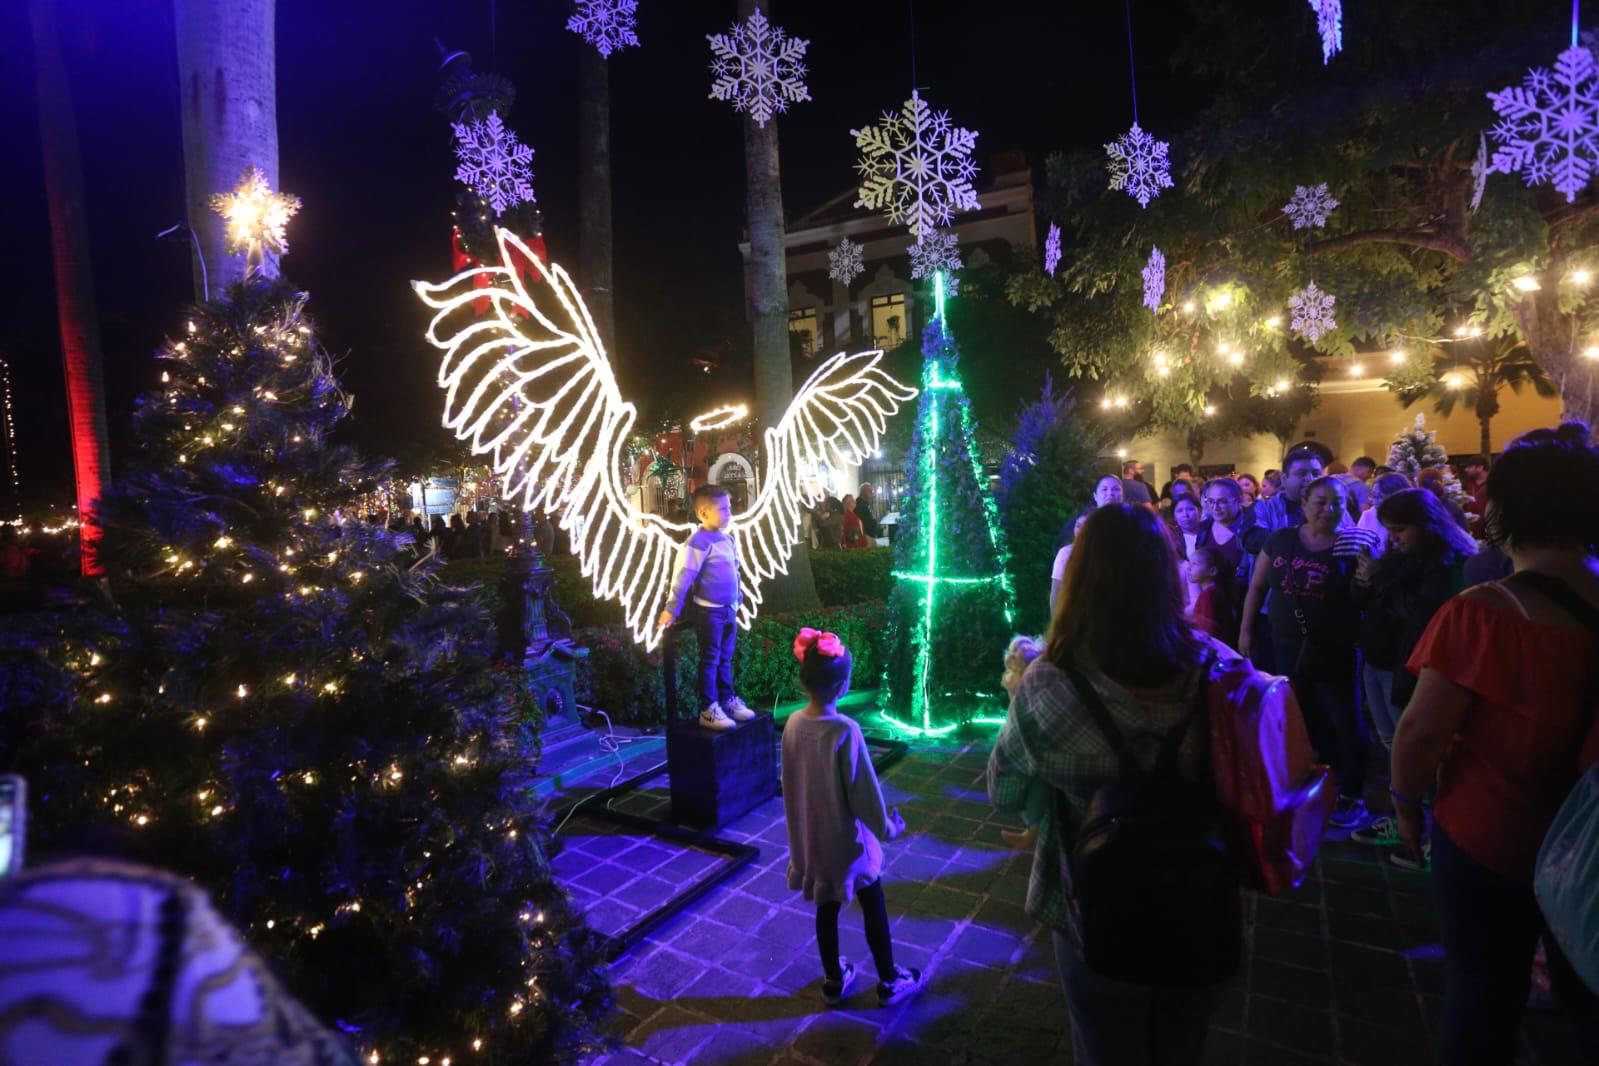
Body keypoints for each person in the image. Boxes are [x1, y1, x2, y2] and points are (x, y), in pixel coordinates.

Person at [989, 503, 1235, 1066]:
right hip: (1199, 901)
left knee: (1103, 1048)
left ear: (1081, 578)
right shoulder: (1218, 669)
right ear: (1166, 573)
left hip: (1091, 901)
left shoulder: (1049, 683)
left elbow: (1001, 790)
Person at [1391, 423, 1599, 1064]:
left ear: (1502, 509)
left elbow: (1422, 729)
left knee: (1482, 998)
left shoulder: (1484, 613)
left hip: (1494, 840)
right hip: (1589, 845)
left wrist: (1404, 805)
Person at [781, 627, 923, 1008]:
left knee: (826, 909)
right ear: (843, 686)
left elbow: (790, 781)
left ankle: (832, 979)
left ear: (803, 679)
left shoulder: (793, 724)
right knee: (873, 904)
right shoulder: (846, 730)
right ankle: (890, 980)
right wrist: (889, 828)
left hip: (814, 839)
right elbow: (864, 793)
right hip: (850, 845)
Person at [1350, 488, 1475, 867]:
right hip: (1378, 660)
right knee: (1392, 745)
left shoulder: (1446, 563)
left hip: (1409, 667)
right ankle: (1407, 820)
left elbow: (1425, 614)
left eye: (1401, 529)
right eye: (1390, 529)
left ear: (1427, 525)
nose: (1393, 537)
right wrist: (1363, 582)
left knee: (1418, 749)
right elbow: (1366, 602)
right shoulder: (1397, 557)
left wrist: (1381, 582)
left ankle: (1429, 833)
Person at [1241, 476, 1368, 828]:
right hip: (1285, 645)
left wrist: (1366, 578)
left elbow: (1361, 601)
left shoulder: (1351, 546)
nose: (1328, 509)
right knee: (1302, 715)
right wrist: (1246, 630)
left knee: (1345, 718)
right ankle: (1318, 781)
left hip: (1333, 647)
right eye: (1320, 502)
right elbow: (1257, 585)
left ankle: (1352, 792)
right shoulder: (1281, 540)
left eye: (1337, 502)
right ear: (1304, 504)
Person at [657, 484, 754, 731]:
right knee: (710, 659)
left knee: (725, 658)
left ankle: (727, 700)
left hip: (728, 610)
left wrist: (738, 600)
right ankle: (708, 708)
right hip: (709, 611)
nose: (728, 513)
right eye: (722, 509)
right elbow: (683, 576)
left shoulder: (728, 540)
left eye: (729, 507)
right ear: (703, 513)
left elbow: (736, 572)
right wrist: (672, 609)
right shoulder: (697, 543)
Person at [1187, 545, 1236, 645]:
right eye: (1189, 564)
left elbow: (1208, 629)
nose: (1189, 568)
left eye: (1194, 564)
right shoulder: (1216, 591)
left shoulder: (1208, 594)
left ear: (1212, 571)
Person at [1050, 514, 1090, 616]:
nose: (1080, 529)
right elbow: (1056, 590)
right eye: (1078, 525)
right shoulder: (1065, 553)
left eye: (1085, 526)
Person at [1456, 453, 1489, 528]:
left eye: (1469, 467)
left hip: (1487, 531)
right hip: (1470, 531)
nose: (1466, 469)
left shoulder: (1492, 485)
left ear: (1480, 467)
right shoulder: (1467, 484)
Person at [1170, 494, 1205, 561]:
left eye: (1190, 509)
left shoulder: (1209, 532)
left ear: (1200, 511)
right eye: (1180, 511)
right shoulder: (1172, 537)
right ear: (1174, 516)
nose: (1185, 515)